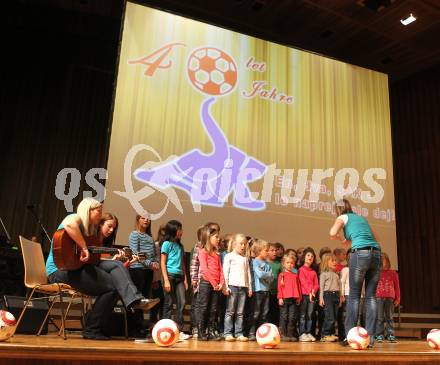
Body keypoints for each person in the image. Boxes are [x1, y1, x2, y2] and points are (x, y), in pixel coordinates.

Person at [45, 198, 158, 340]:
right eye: (99, 211)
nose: (100, 215)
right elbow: (69, 225)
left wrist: (112, 258)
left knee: (116, 265)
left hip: (78, 267)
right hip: (60, 270)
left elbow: (92, 259)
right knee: (113, 287)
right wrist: (84, 247)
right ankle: (92, 329)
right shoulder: (75, 218)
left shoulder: (89, 232)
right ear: (88, 210)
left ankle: (135, 300)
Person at [330, 198, 381, 347]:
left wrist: (341, 239)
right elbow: (377, 238)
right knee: (371, 297)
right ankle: (370, 338)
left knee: (354, 296)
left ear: (338, 210)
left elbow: (332, 232)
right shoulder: (361, 218)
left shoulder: (342, 217)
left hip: (360, 255)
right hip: (376, 253)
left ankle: (349, 336)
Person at [160, 220, 191, 340]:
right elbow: (162, 262)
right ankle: (165, 329)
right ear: (173, 230)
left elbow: (183, 264)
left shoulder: (180, 246)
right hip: (169, 275)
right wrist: (166, 280)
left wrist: (185, 280)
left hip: (180, 277)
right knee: (168, 303)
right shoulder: (166, 244)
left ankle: (179, 329)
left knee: (182, 302)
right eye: (179, 229)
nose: (181, 232)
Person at [223, 233, 252, 342]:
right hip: (232, 286)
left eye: (245, 244)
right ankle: (228, 333)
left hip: (243, 287)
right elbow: (225, 271)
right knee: (230, 311)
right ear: (234, 244)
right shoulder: (229, 256)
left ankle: (239, 333)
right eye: (241, 244)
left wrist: (249, 287)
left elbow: (248, 273)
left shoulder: (245, 258)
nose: (243, 246)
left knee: (240, 312)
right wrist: (225, 286)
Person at [197, 225, 224, 341]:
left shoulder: (217, 254)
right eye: (216, 237)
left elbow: (221, 270)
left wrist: (221, 283)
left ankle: (211, 331)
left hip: (216, 285)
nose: (218, 239)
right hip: (206, 283)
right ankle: (201, 332)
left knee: (214, 309)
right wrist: (214, 283)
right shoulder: (202, 252)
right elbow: (205, 269)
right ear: (208, 237)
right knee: (204, 308)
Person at [128, 214, 159, 302]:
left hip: (148, 270)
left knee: (145, 299)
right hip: (137, 269)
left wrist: (156, 262)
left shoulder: (150, 237)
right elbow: (136, 253)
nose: (146, 220)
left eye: (148, 219)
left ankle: (140, 316)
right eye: (143, 218)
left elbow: (154, 253)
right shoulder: (134, 234)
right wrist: (150, 263)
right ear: (138, 220)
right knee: (137, 298)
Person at [249, 239, 273, 341]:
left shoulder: (268, 264)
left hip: (266, 290)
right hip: (258, 291)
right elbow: (260, 274)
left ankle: (262, 333)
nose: (268, 252)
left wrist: (266, 275)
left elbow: (272, 277)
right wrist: (267, 275)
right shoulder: (254, 262)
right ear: (259, 251)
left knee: (265, 313)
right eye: (266, 250)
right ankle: (251, 332)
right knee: (256, 313)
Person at [375, 252, 400, 343]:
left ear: (387, 261)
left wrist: (398, 298)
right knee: (380, 317)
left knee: (389, 317)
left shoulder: (393, 273)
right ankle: (379, 334)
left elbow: (397, 286)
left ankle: (390, 334)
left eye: (383, 260)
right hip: (378, 298)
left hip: (389, 298)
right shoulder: (376, 273)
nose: (382, 262)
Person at [278, 255, 301, 341]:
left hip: (293, 299)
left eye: (292, 263)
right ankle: (283, 334)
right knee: (284, 316)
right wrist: (280, 297)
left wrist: (299, 297)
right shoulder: (282, 275)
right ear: (283, 264)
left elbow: (298, 286)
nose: (290, 264)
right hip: (284, 299)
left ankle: (290, 334)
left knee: (292, 317)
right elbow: (279, 287)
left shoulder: (295, 275)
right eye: (287, 263)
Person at [319, 253, 341, 342]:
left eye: (335, 260)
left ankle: (331, 333)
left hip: (335, 295)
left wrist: (340, 298)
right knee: (329, 316)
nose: (335, 262)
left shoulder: (336, 275)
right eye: (332, 260)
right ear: (326, 262)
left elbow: (339, 287)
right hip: (327, 295)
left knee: (334, 316)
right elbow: (321, 287)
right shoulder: (323, 274)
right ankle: (325, 334)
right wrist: (321, 298)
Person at [267, 242, 281, 326]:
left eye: (275, 250)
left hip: (276, 292)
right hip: (266, 291)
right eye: (272, 250)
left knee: (275, 311)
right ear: (267, 251)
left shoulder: (279, 264)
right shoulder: (264, 262)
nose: (275, 252)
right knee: (266, 311)